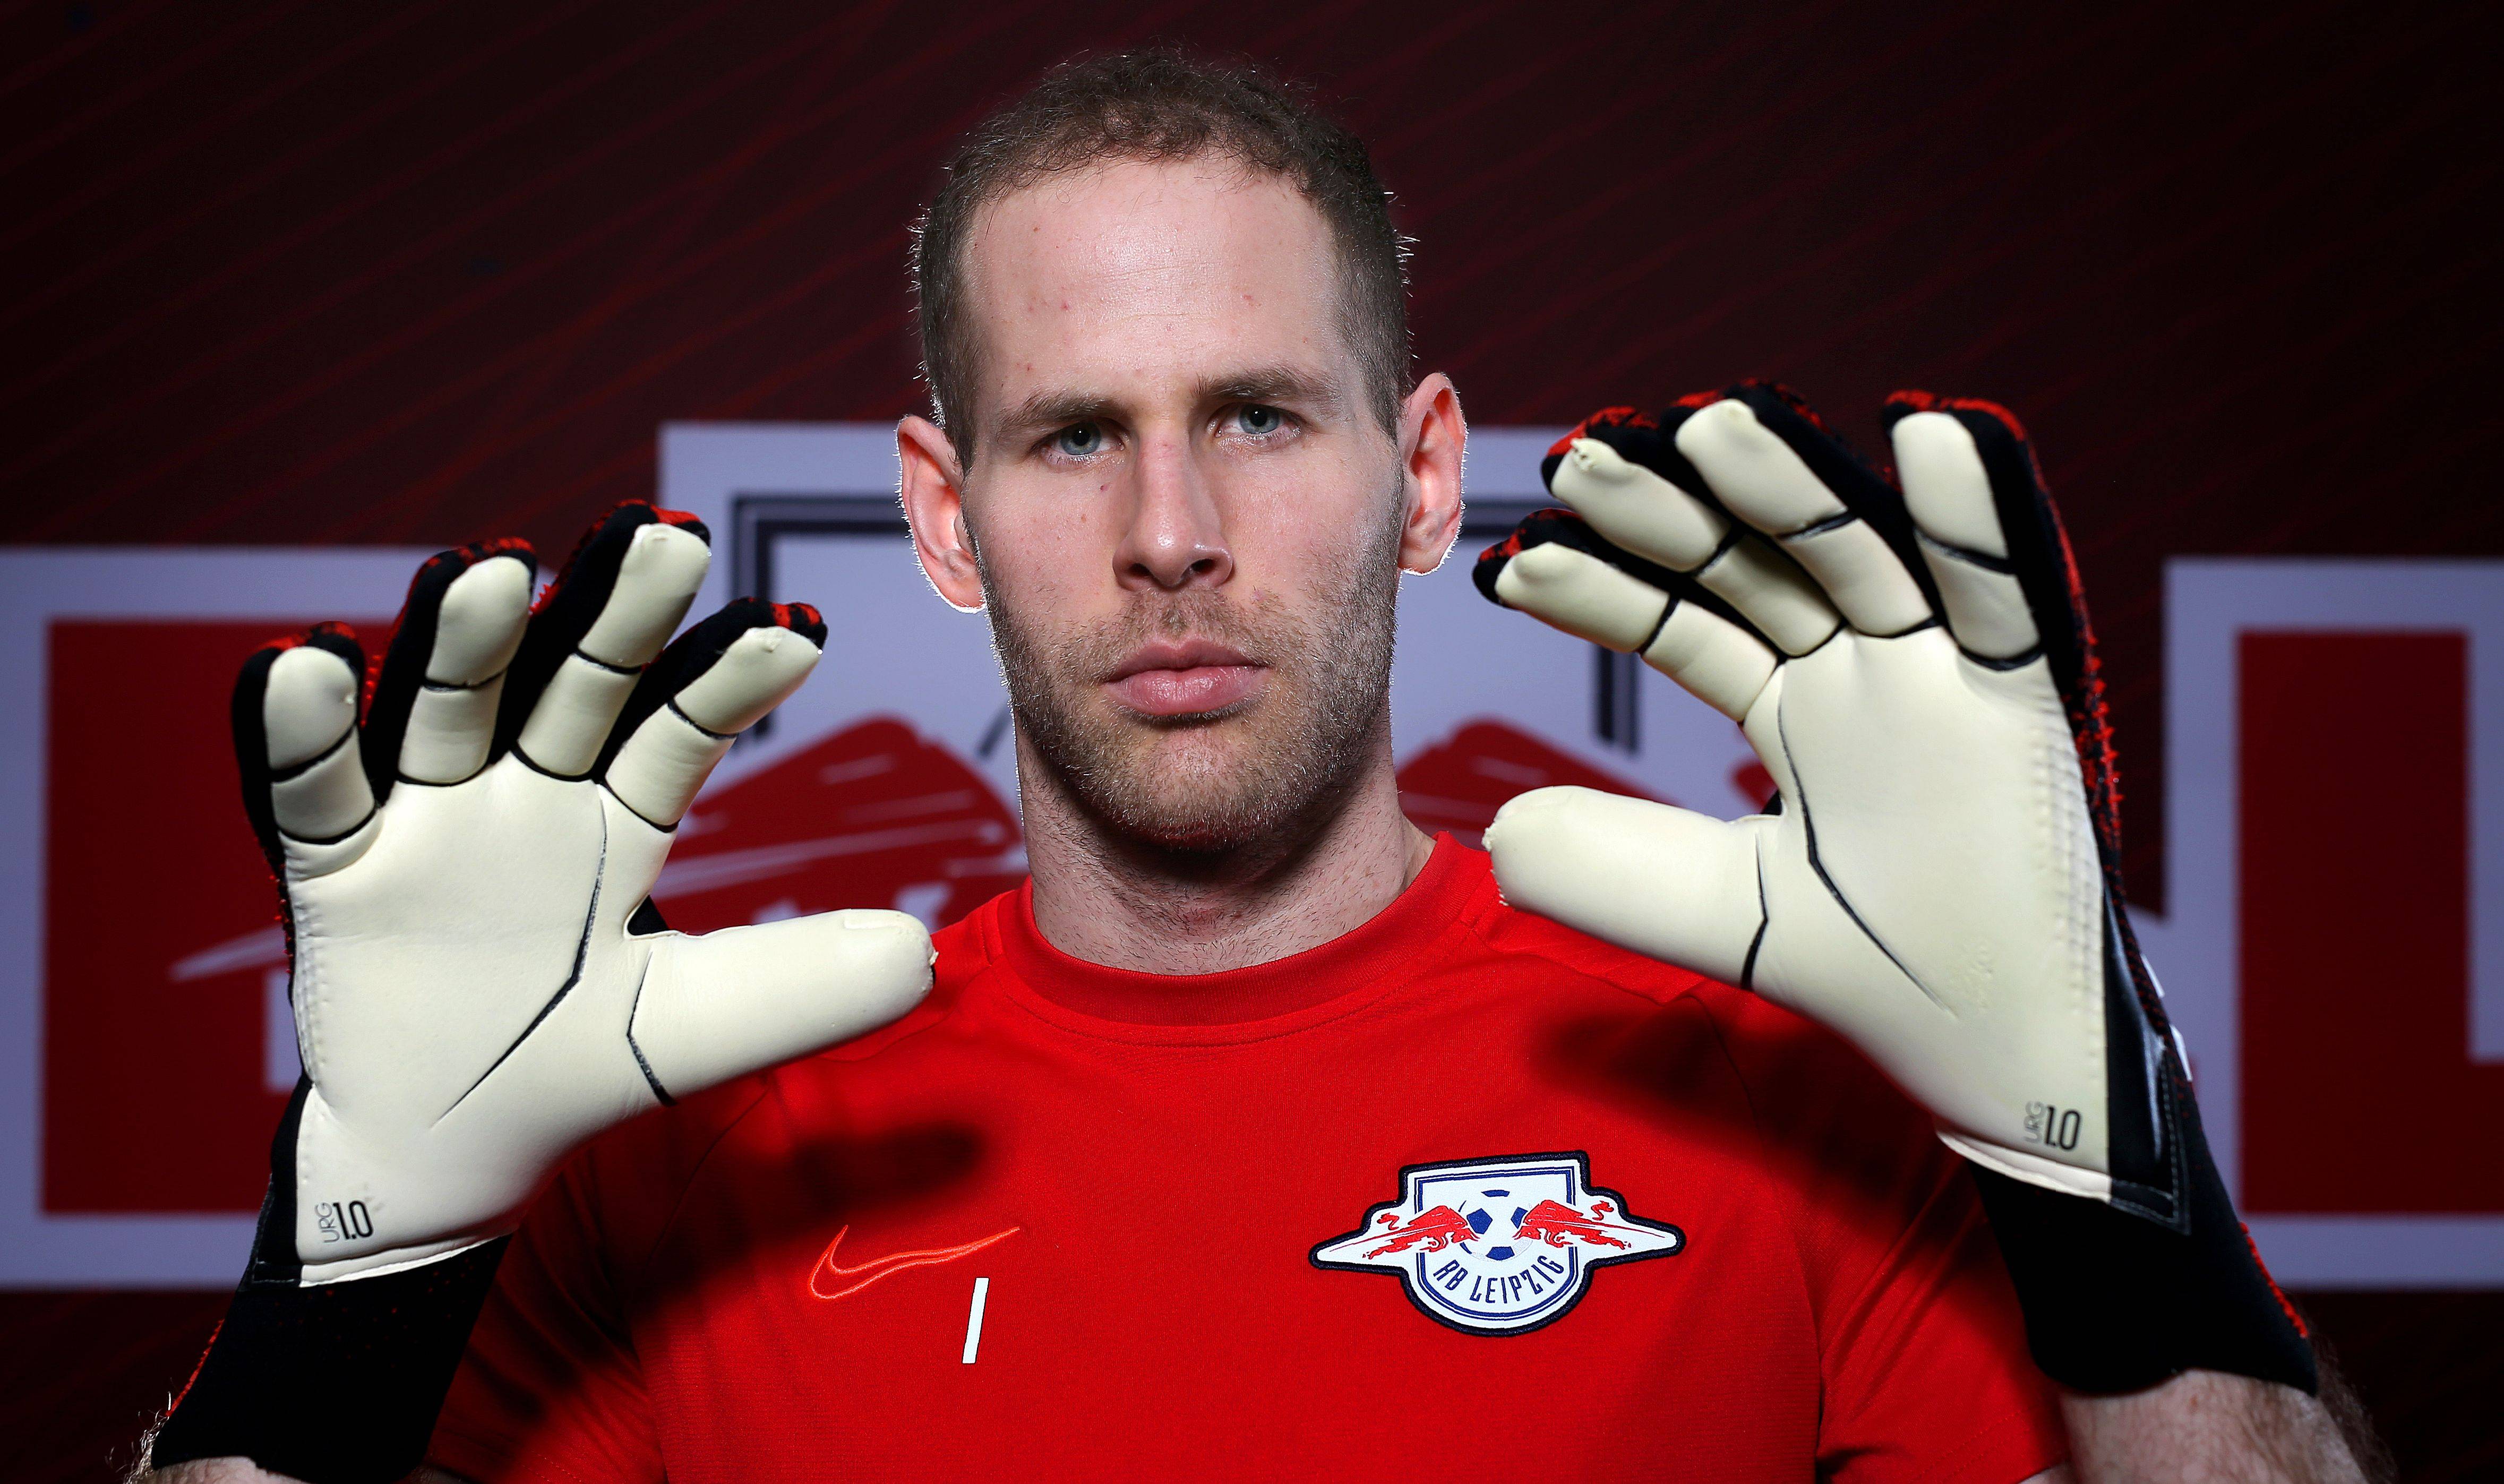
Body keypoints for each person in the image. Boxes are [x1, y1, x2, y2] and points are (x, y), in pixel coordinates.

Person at [143, 49, 2377, 1484]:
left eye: (1258, 414)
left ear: (1425, 472)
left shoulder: (1783, 1091)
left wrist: (2117, 1177)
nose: (1171, 531)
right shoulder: (681, 1169)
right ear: (943, 516)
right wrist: (344, 1280)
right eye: (1071, 435)